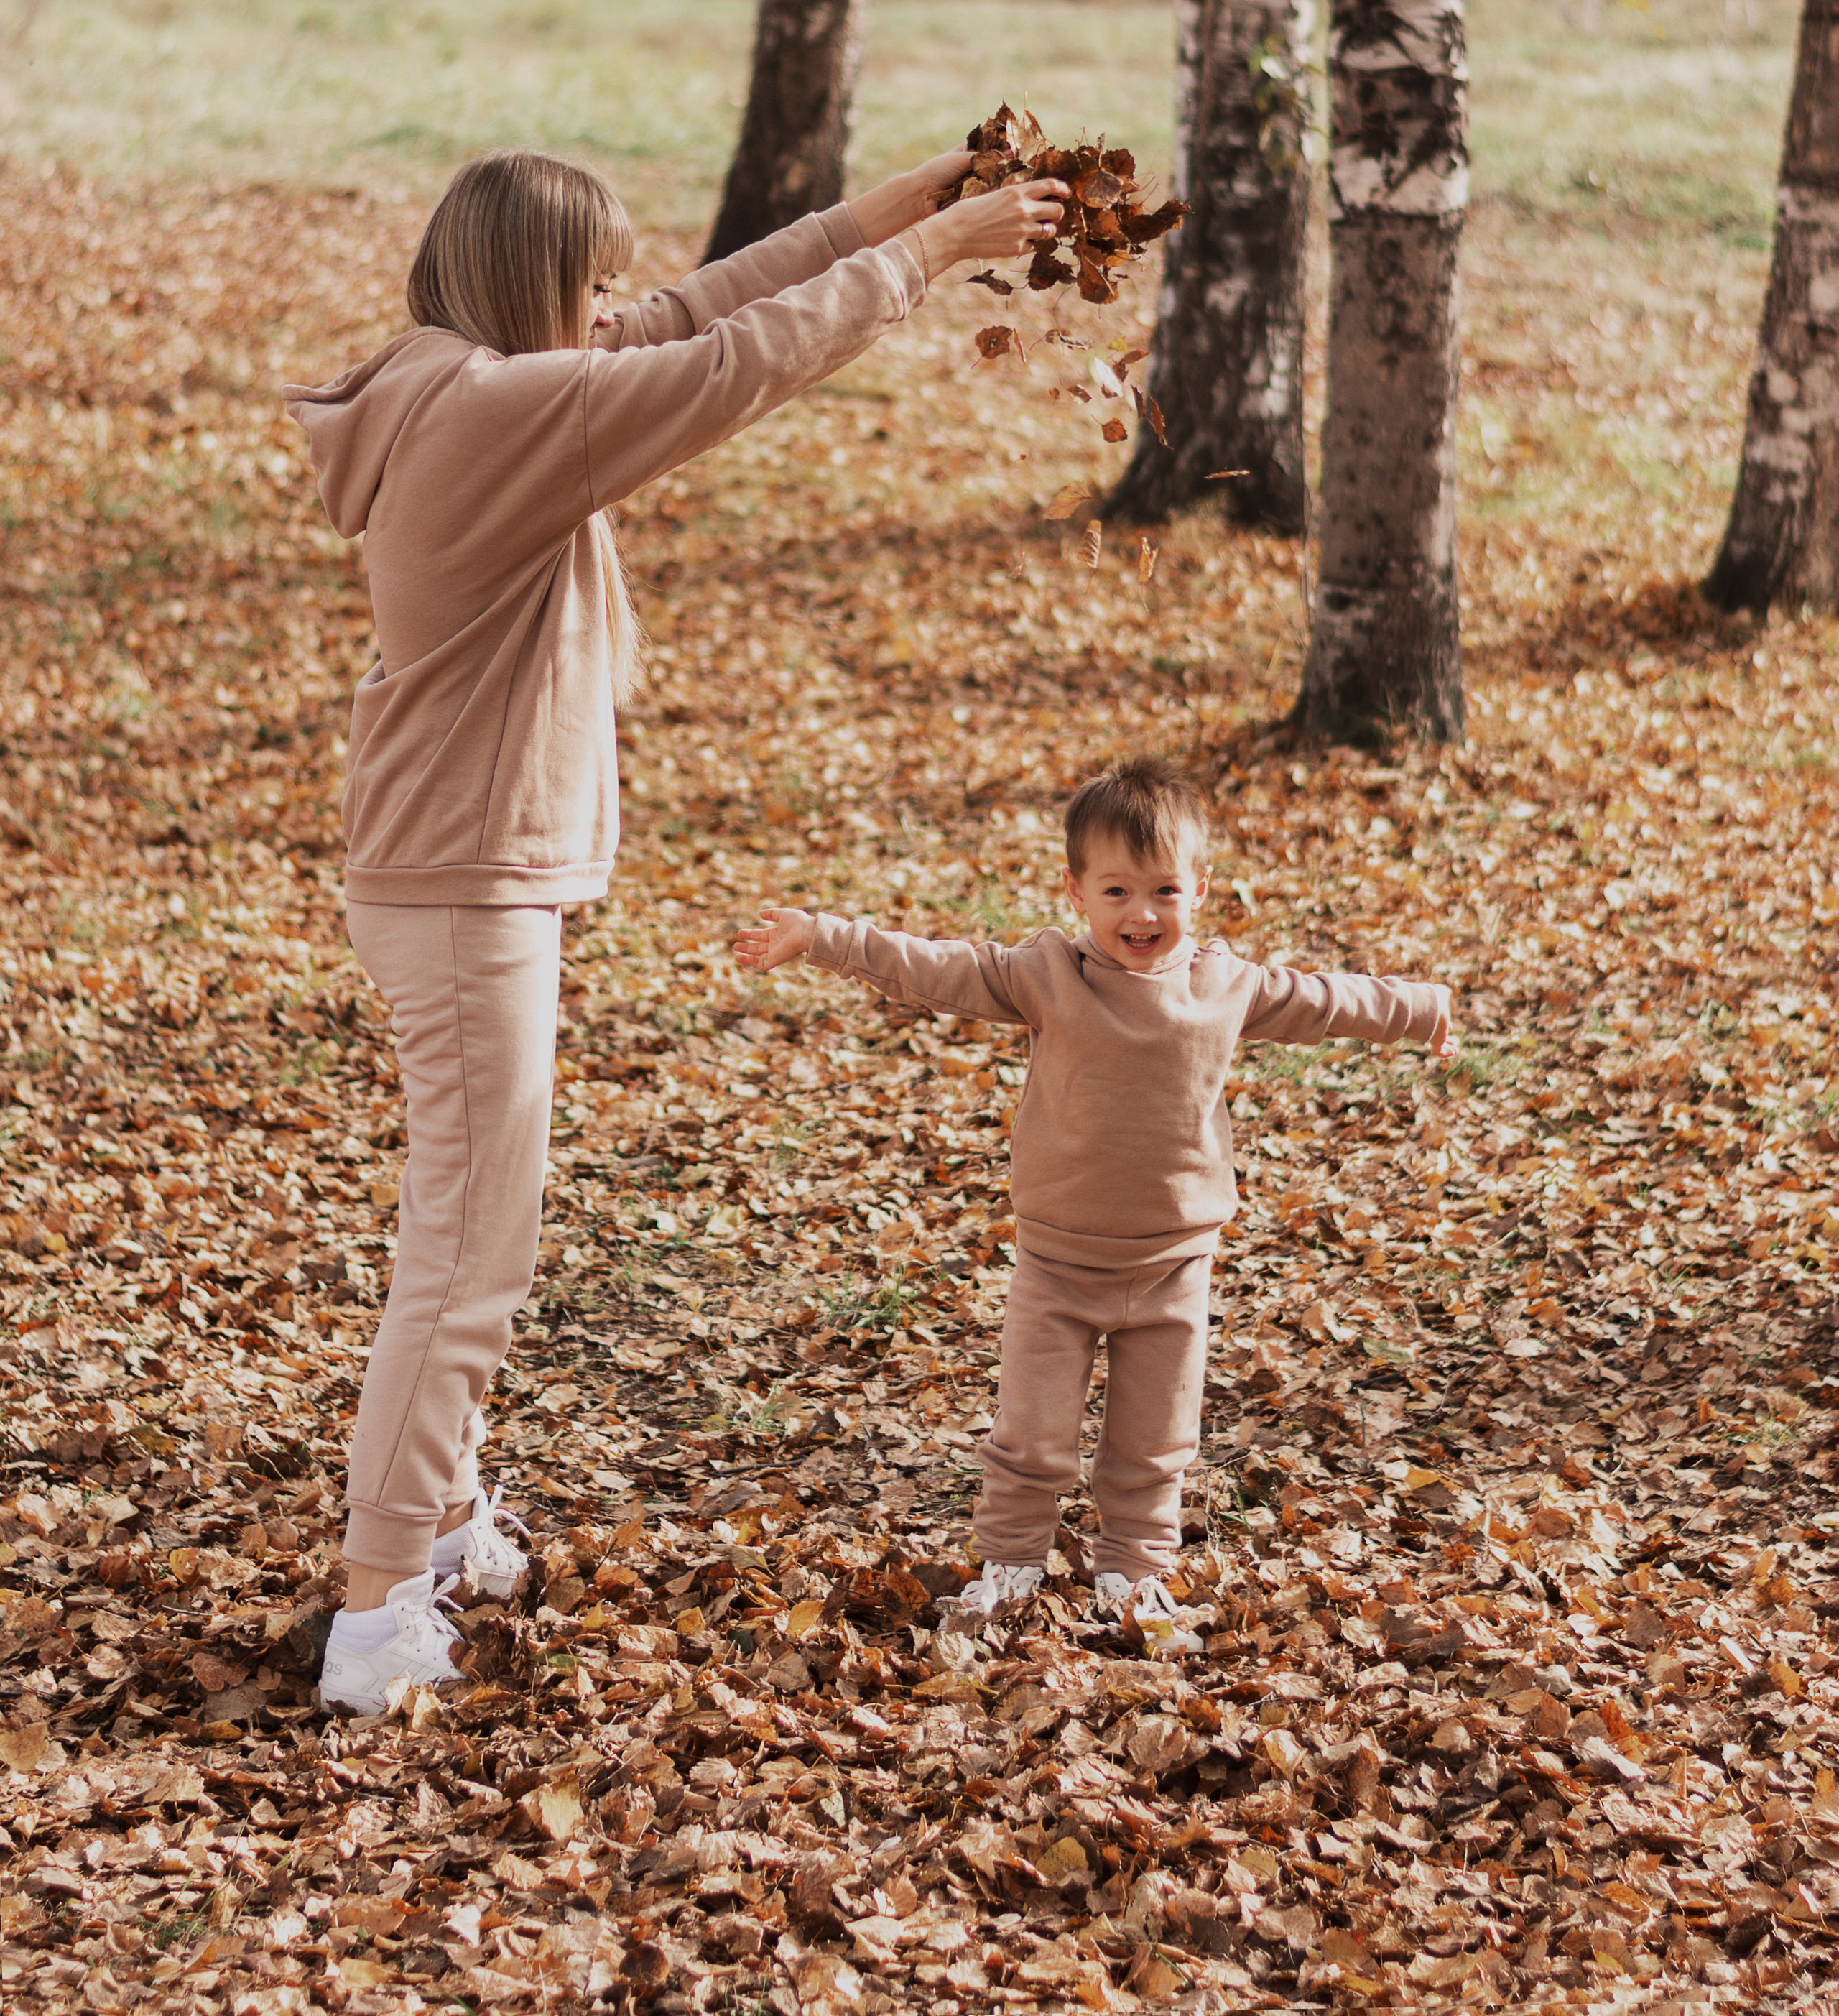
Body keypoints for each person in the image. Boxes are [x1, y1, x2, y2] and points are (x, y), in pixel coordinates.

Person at [283, 140, 1069, 1714]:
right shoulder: (501, 411)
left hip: (455, 874)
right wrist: (932, 261)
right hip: (459, 885)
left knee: (468, 1226)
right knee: (467, 1248)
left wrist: (895, 207)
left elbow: (694, 311)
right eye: (580, 283)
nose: (606, 308)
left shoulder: (468, 376)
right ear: (525, 287)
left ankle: (434, 1518)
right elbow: (730, 365)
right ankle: (376, 1610)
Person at [734, 757, 1457, 1645]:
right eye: (1116, 891)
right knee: (1031, 1431)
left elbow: (1325, 1001)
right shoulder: (1045, 975)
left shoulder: (1228, 986)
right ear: (1075, 891)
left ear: (1200, 888)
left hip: (1172, 1265)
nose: (1142, 915)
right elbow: (936, 969)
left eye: (1164, 891)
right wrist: (823, 936)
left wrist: (1420, 1007)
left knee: (1155, 1441)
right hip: (1058, 1259)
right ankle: (1011, 1565)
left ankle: (1131, 1576)